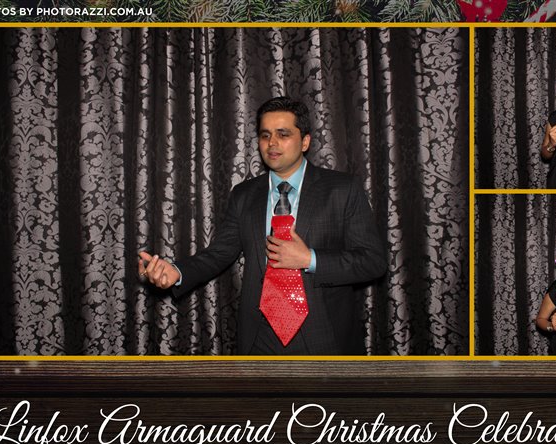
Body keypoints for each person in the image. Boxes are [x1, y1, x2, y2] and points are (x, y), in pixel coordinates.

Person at [138, 96, 386, 355]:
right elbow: (218, 253)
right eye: (265, 135)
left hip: (324, 337)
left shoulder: (342, 189)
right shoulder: (244, 195)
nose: (272, 143)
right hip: (260, 337)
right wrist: (177, 272)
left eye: (283, 134)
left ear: (305, 141)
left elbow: (373, 262)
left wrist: (309, 259)